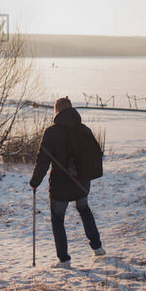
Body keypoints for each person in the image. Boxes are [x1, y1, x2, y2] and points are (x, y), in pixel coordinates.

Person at [30, 96, 105, 268]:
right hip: (82, 182)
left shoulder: (52, 133)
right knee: (84, 209)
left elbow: (43, 160)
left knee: (57, 218)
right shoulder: (84, 129)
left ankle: (64, 260)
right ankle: (98, 248)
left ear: (56, 111)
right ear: (71, 109)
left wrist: (35, 182)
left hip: (60, 184)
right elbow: (95, 155)